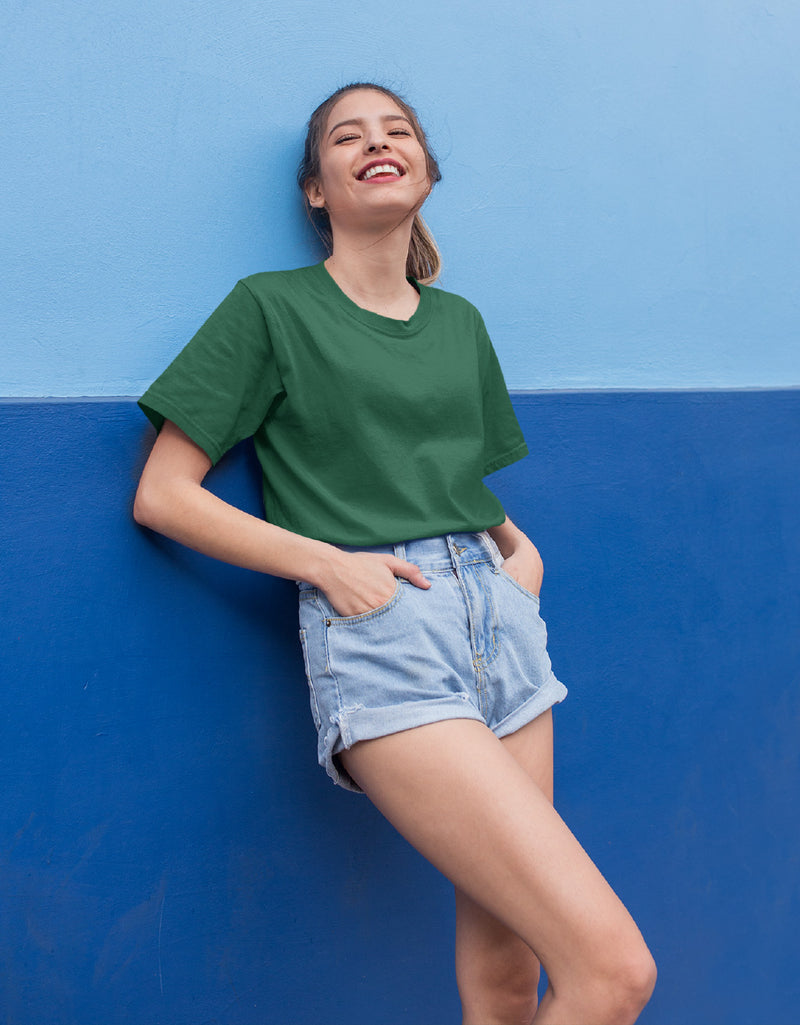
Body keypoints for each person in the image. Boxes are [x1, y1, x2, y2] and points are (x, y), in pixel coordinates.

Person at [134, 82, 656, 1025]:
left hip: (502, 627)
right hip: (387, 632)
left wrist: (518, 560)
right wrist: (328, 564)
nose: (377, 144)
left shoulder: (460, 323)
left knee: (509, 975)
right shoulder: (271, 309)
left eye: (397, 131)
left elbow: (462, 486)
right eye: (348, 137)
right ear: (316, 190)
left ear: (426, 169)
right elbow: (163, 495)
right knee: (615, 972)